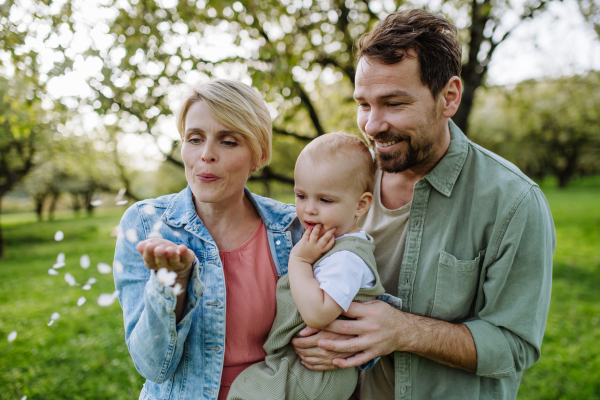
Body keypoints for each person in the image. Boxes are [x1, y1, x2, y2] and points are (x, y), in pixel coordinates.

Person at [292, 9, 556, 400]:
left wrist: (404, 331)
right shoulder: (342, 178)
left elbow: (513, 345)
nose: (372, 125)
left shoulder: (513, 202)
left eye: (394, 104)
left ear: (449, 97)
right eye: (364, 104)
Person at [113, 79, 303, 400]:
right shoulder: (145, 224)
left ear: (259, 154)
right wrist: (172, 284)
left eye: (228, 142)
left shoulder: (293, 228)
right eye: (195, 139)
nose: (206, 155)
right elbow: (152, 366)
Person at [227, 132, 394, 400]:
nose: (309, 210)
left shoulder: (347, 258)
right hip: (307, 365)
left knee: (250, 392)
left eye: (325, 200)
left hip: (319, 376)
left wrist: (299, 260)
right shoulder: (328, 243)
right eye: (301, 195)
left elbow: (318, 314)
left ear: (361, 205)